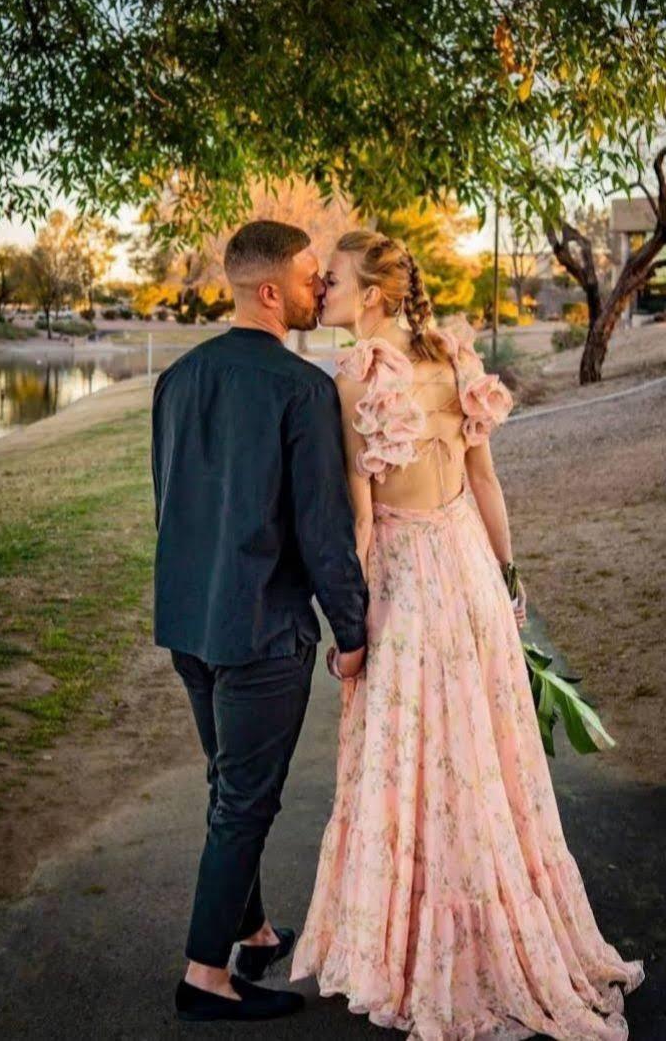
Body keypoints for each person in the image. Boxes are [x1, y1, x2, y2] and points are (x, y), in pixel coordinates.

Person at [290, 230, 645, 1040]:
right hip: (470, 570)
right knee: (480, 754)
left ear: (370, 296)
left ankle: (419, 947)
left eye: (334, 280)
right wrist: (508, 579)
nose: (323, 291)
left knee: (410, 753)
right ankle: (494, 926)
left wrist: (356, 617)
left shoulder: (353, 377)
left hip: (412, 582)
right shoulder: (453, 355)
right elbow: (485, 481)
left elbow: (362, 521)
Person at [151, 220, 369, 1023]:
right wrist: (352, 631)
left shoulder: (176, 378)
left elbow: (168, 500)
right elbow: (322, 529)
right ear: (270, 290)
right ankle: (205, 976)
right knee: (244, 801)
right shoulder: (300, 388)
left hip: (189, 622)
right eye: (312, 276)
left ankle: (253, 928)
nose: (321, 288)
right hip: (261, 632)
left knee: (228, 785)